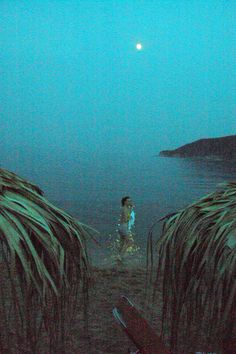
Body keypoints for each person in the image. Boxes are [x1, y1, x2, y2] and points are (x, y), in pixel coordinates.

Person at [117, 196, 135, 260]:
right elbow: (126, 219)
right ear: (125, 202)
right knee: (128, 242)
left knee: (122, 243)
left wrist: (131, 208)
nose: (130, 202)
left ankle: (119, 256)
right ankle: (121, 256)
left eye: (130, 201)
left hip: (121, 227)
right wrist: (129, 217)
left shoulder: (125, 208)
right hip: (124, 227)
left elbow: (128, 213)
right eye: (128, 201)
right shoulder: (124, 209)